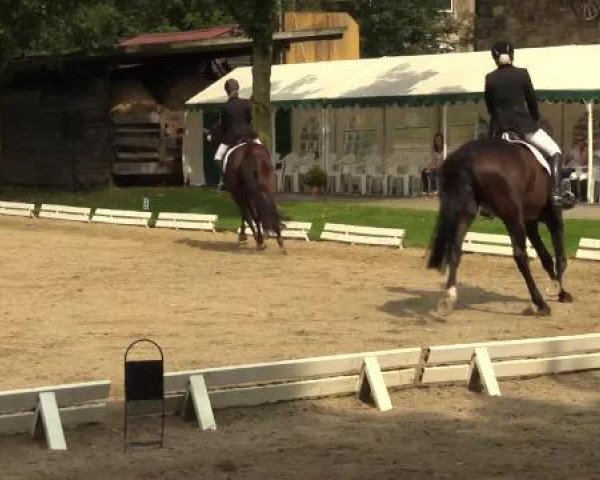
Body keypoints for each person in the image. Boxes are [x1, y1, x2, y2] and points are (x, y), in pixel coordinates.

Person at [484, 41, 576, 209]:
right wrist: (534, 119)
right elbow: (532, 102)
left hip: (498, 129)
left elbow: (490, 108)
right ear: (512, 55)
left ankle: (486, 204)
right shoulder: (522, 74)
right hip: (523, 126)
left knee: (486, 160)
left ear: (495, 58)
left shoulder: (490, 78)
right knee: (555, 152)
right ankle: (555, 194)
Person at [212, 78, 261, 190]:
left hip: (232, 135)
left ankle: (225, 181)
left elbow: (224, 125)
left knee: (218, 157)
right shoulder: (247, 103)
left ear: (227, 91)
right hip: (249, 133)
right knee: (264, 150)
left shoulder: (225, 107)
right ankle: (268, 171)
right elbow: (249, 119)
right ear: (238, 89)